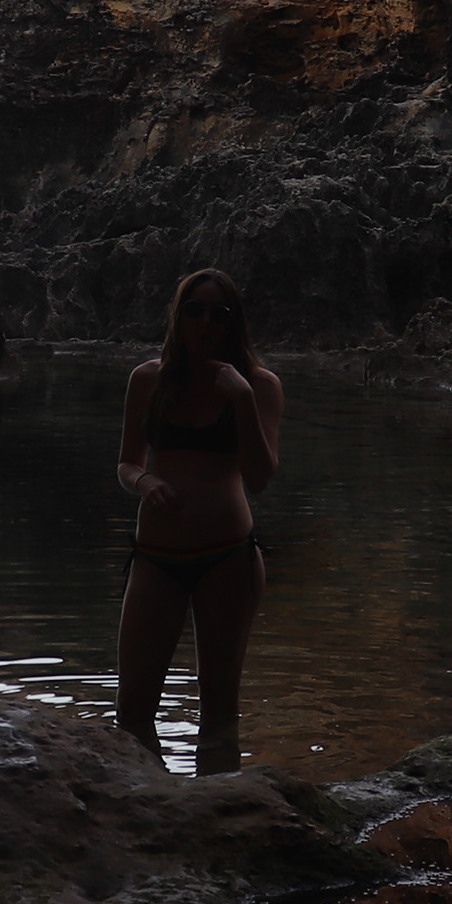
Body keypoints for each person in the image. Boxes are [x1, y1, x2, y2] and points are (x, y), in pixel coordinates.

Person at [114, 268, 283, 769]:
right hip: (155, 558)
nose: (205, 322)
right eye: (194, 310)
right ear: (178, 315)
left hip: (227, 559)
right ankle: (144, 807)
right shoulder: (148, 379)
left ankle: (218, 809)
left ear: (234, 323)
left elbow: (259, 478)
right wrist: (145, 483)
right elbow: (127, 463)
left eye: (218, 313)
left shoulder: (259, 386)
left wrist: (242, 398)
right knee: (132, 713)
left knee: (218, 714)